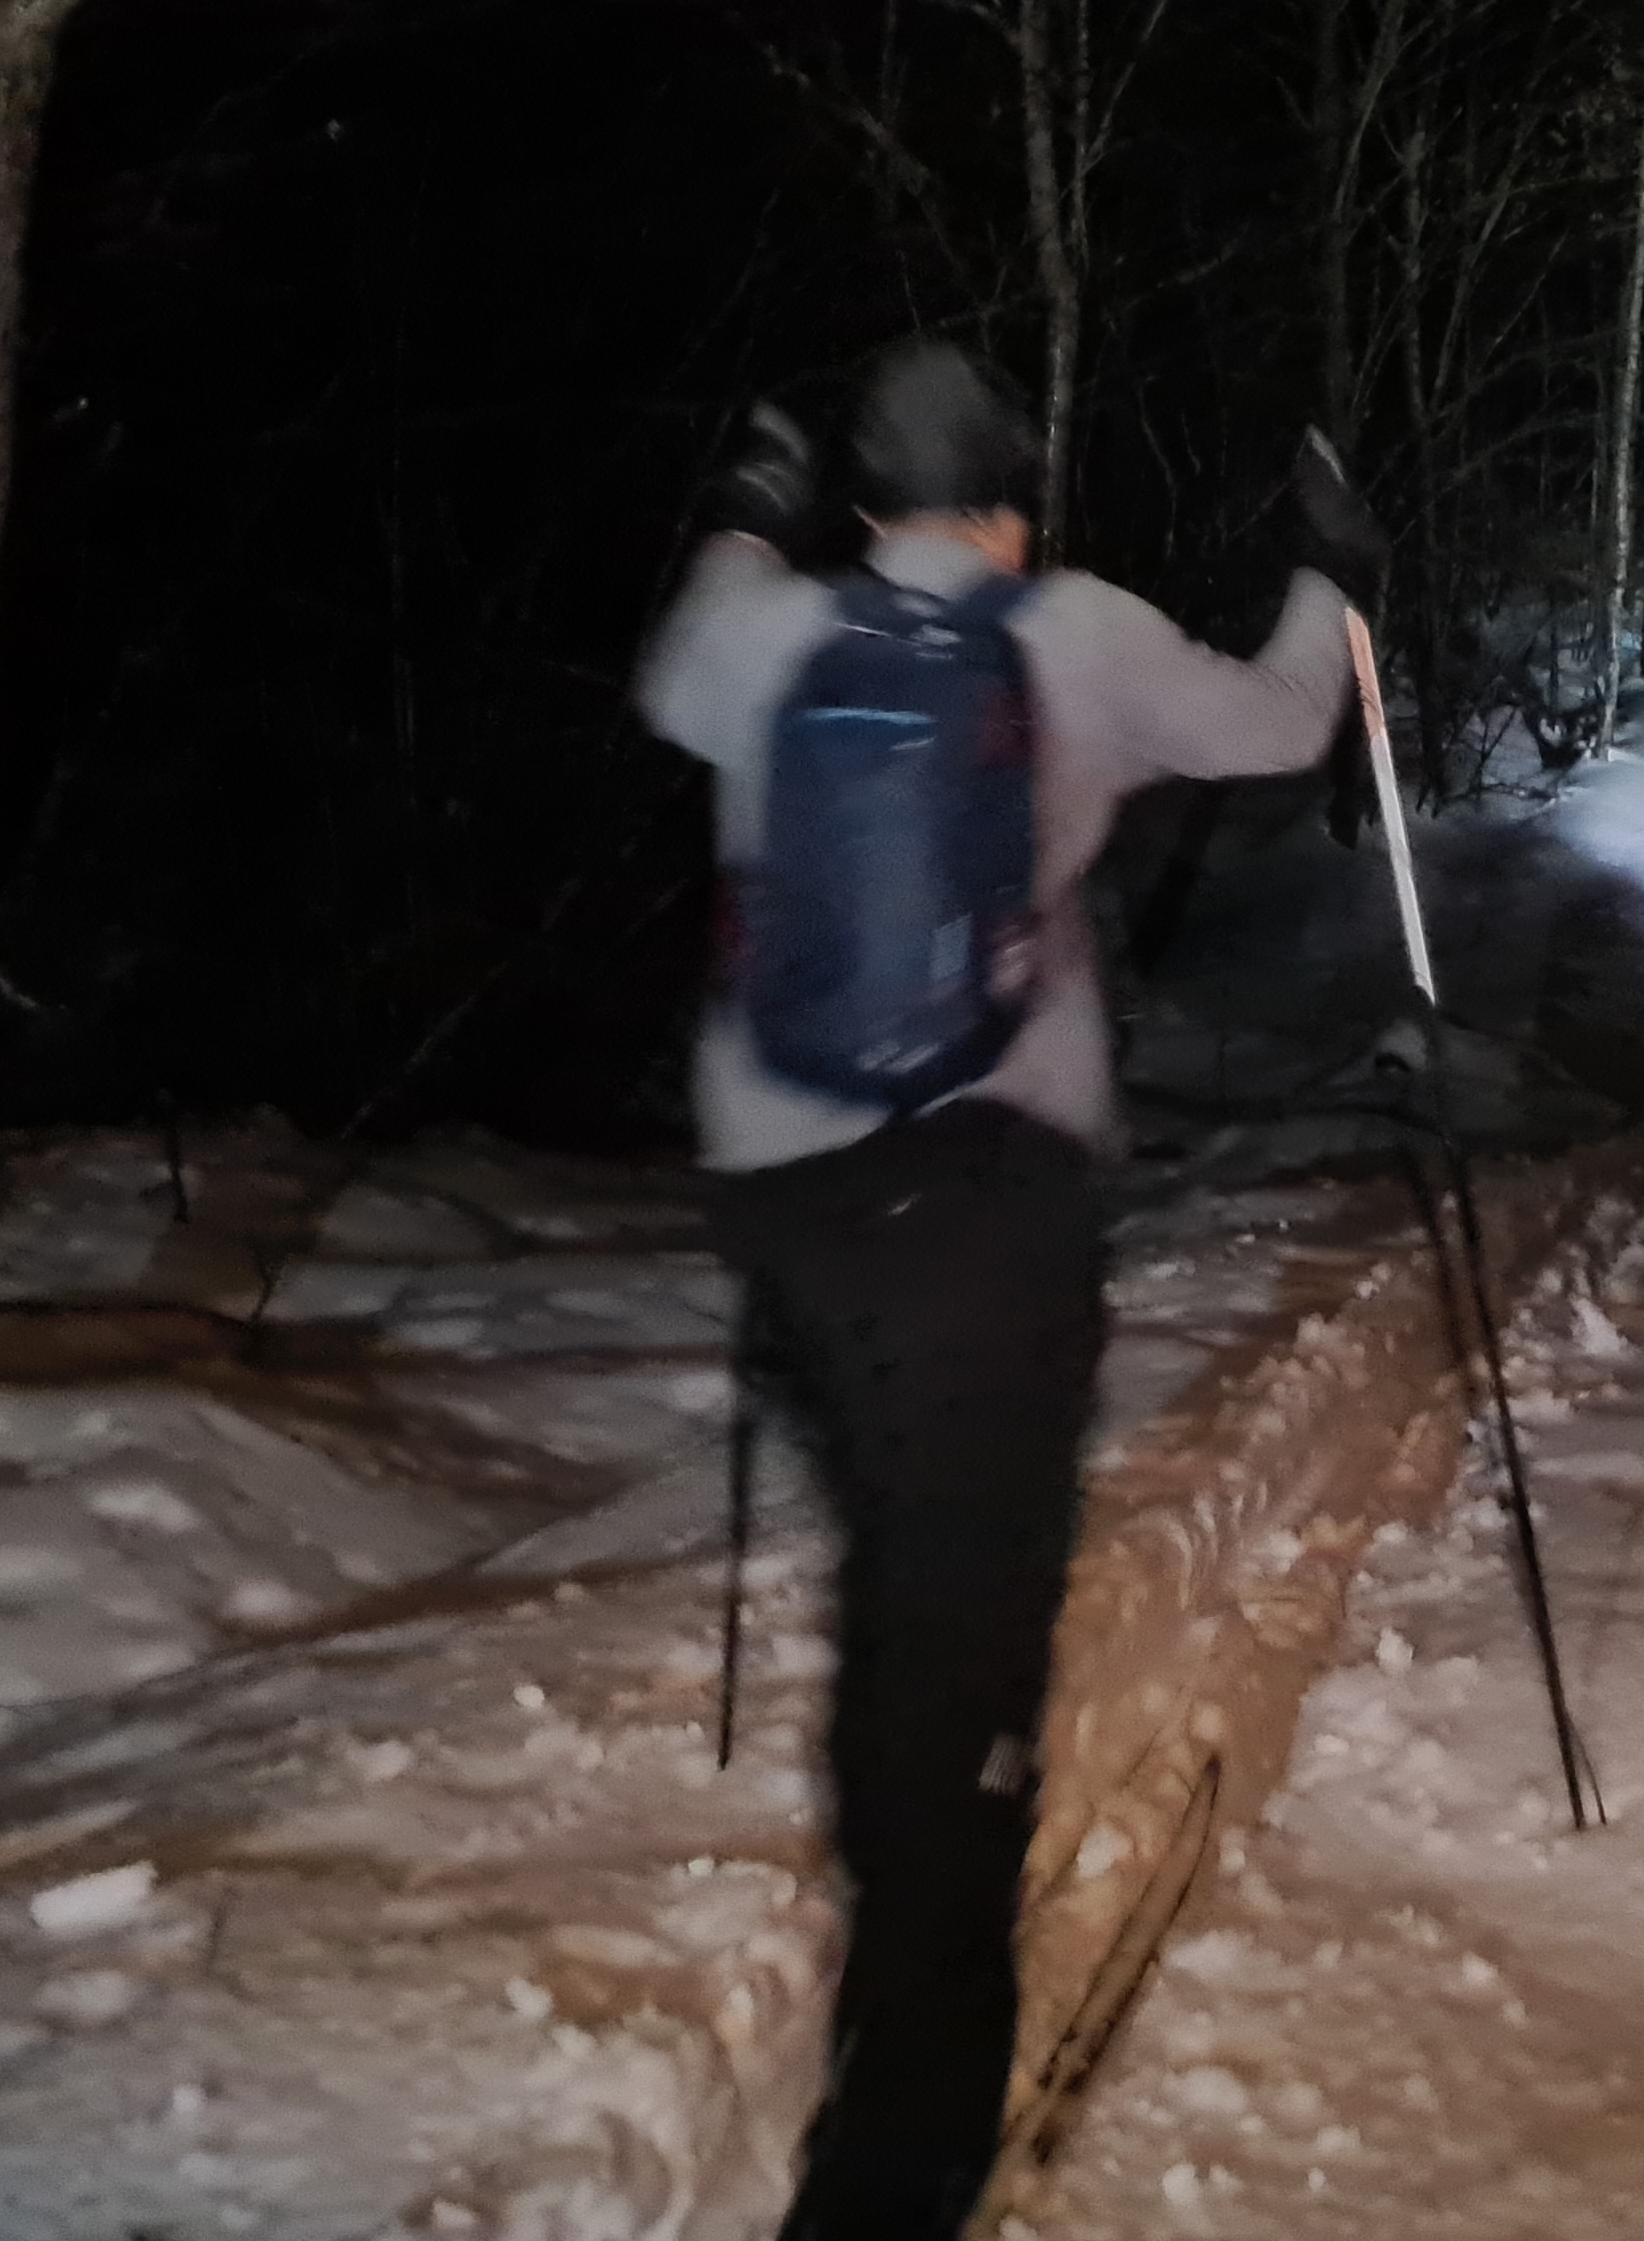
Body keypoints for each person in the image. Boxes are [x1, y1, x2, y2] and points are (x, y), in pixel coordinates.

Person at [634, 342, 1380, 2239]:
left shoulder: (757, 638)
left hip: (786, 1206)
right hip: (987, 1208)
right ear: (1014, 497)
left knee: (902, 1595)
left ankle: (897, 1913)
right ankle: (899, 2170)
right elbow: (1288, 719)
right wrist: (1334, 567)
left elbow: (673, 662)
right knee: (955, 1655)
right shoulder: (1079, 635)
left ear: (867, 500)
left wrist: (749, 499)